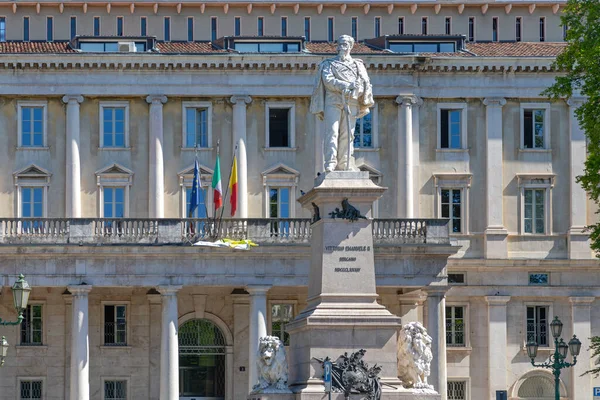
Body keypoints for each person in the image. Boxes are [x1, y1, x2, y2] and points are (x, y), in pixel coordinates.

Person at [310, 34, 374, 172]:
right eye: (339, 44)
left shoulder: (358, 65)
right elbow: (328, 80)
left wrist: (357, 88)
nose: (341, 47)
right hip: (333, 101)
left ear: (350, 47)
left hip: (352, 101)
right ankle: (330, 162)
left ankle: (345, 162)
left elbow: (365, 82)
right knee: (332, 132)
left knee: (348, 134)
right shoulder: (328, 64)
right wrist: (346, 85)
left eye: (345, 44)